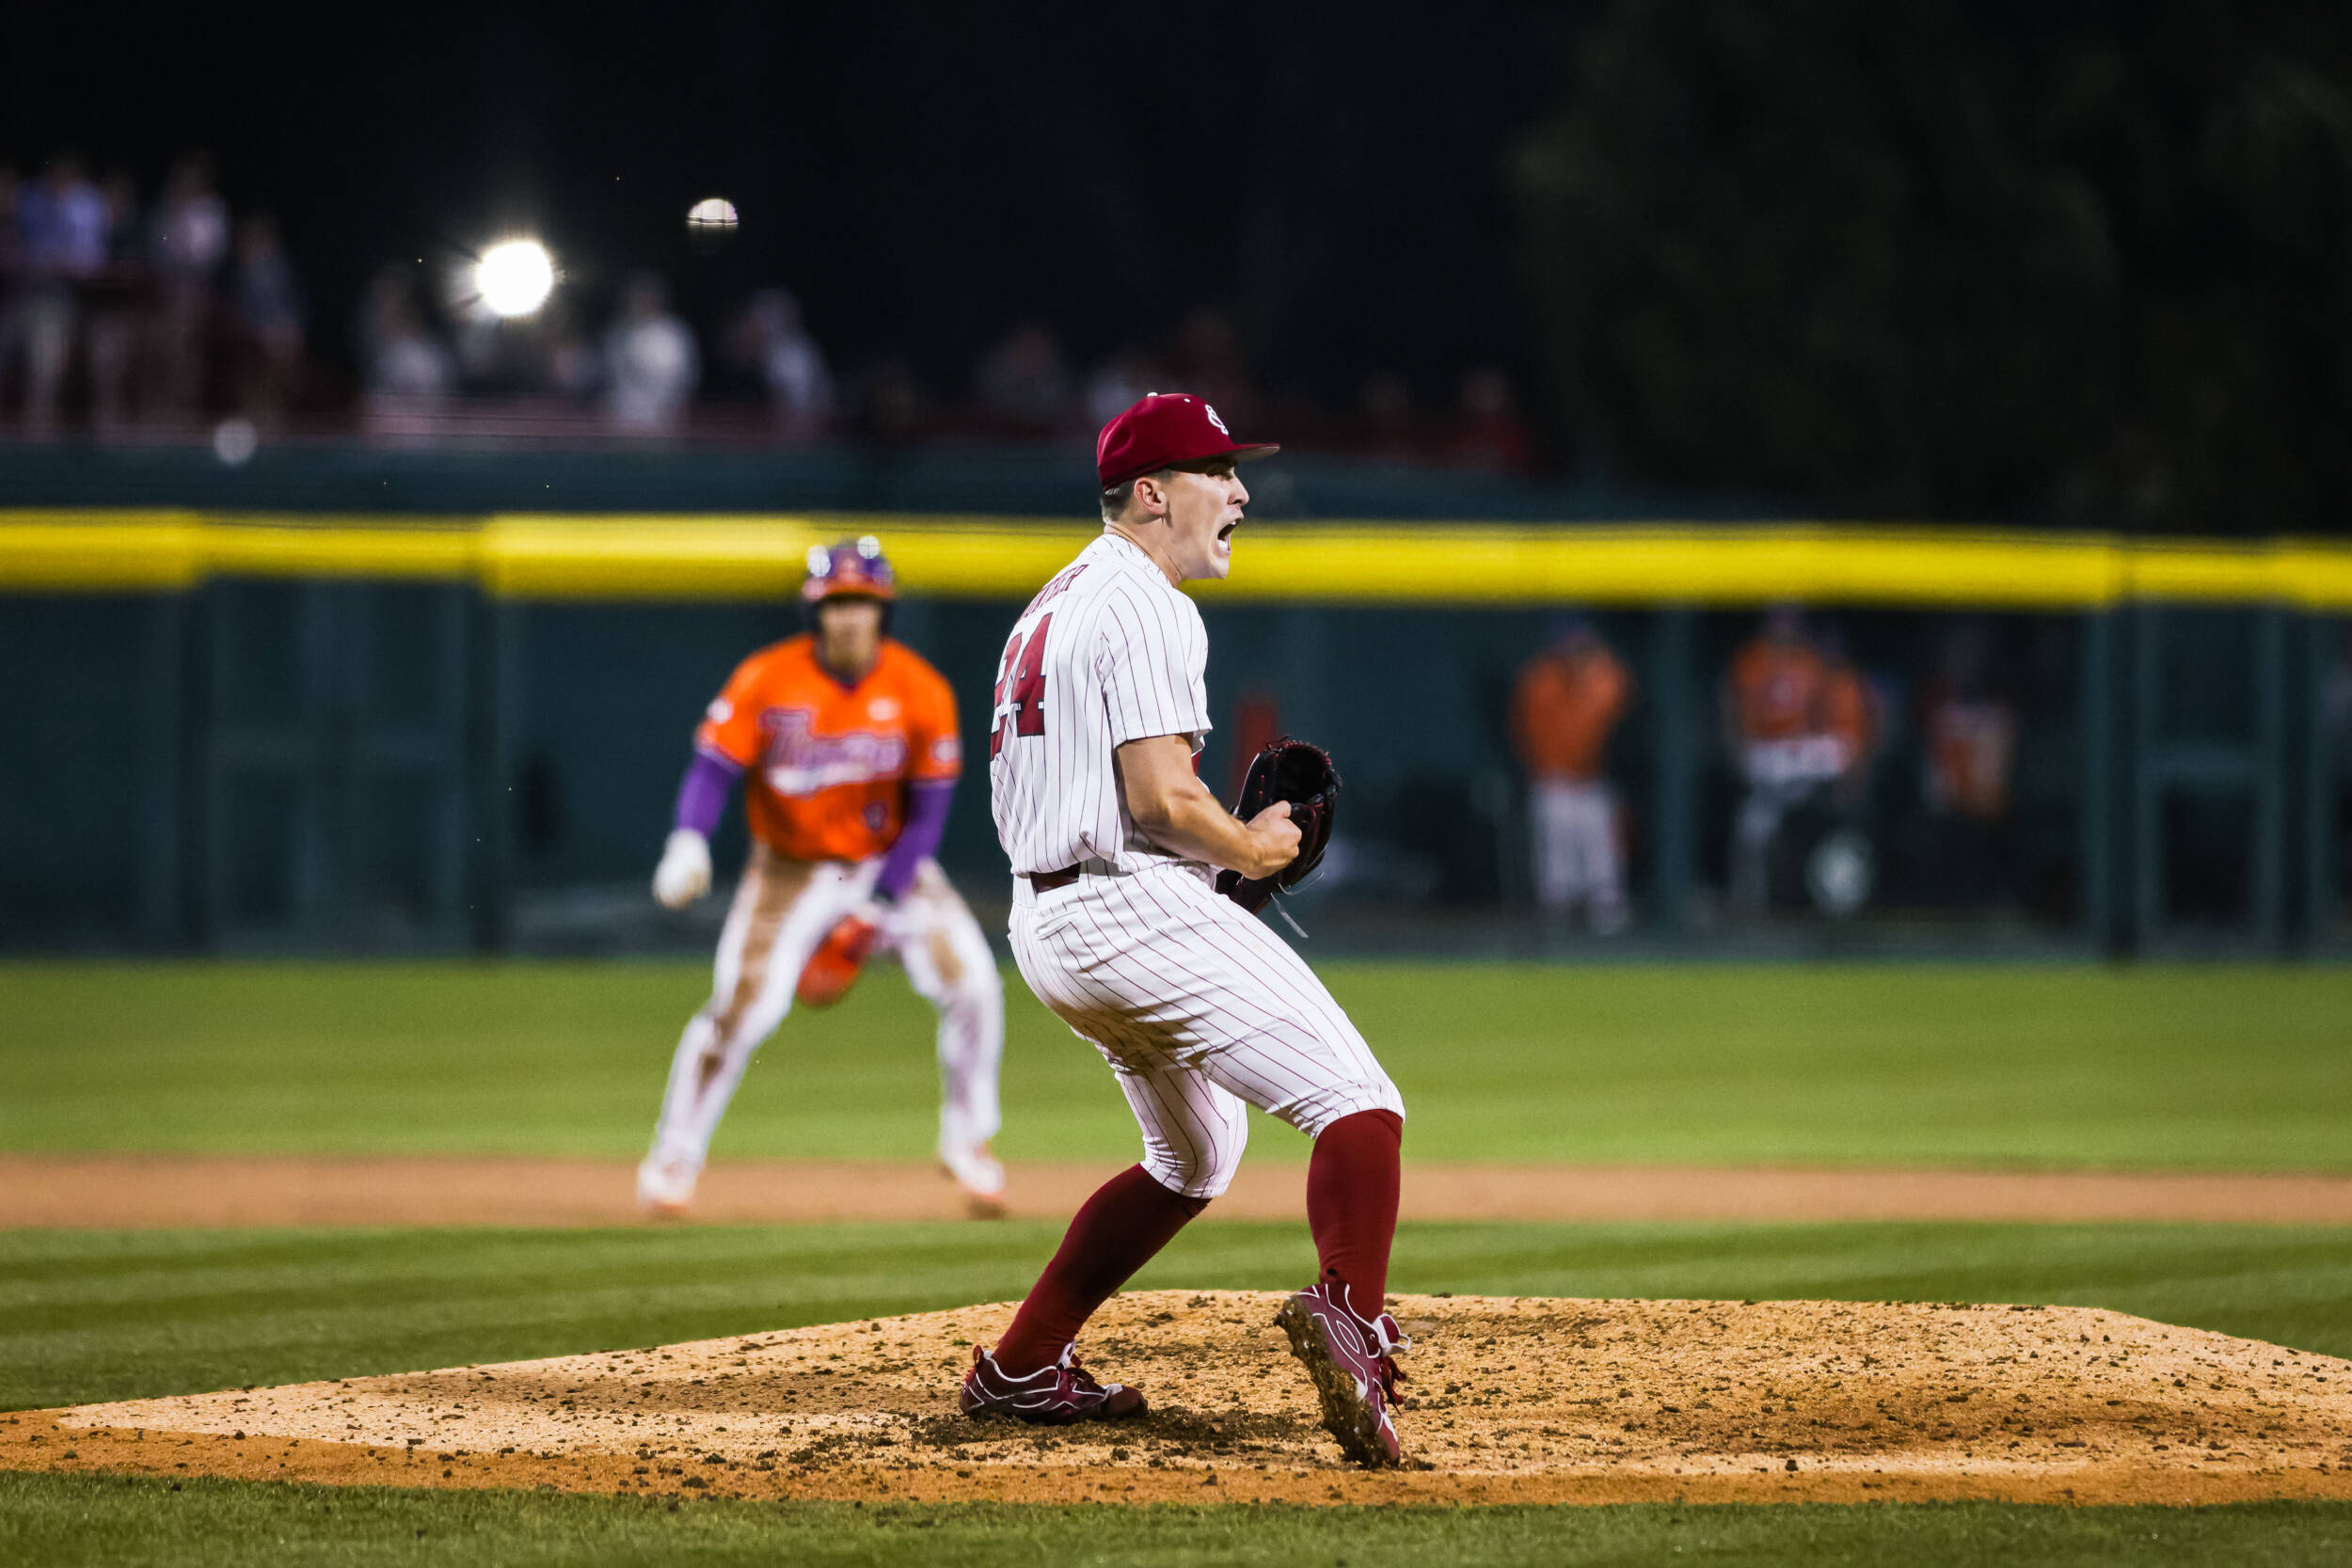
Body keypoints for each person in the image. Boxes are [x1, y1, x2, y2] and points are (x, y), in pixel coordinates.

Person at [961, 393, 1411, 1468]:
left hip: (1046, 921)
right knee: (1361, 1104)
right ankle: (1351, 1310)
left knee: (1198, 1152)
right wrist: (1254, 848)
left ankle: (1022, 1362)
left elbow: (1125, 800)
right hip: (1121, 904)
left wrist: (1212, 852)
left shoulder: (1057, 598)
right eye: (1218, 471)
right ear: (1153, 494)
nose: (1241, 492)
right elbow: (1163, 799)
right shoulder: (1150, 602)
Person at [640, 537, 1007, 1216]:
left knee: (977, 986)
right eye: (835, 601)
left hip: (890, 863)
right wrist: (689, 838)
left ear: (881, 609)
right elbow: (713, 767)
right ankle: (673, 1157)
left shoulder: (918, 688)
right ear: (817, 610)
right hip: (787, 869)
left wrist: (880, 901)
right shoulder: (767, 678)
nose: (847, 615)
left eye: (860, 601)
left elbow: (927, 816)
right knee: (739, 1012)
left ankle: (969, 1141)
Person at [1510, 616, 1632, 931]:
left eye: (1581, 647)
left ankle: (1606, 908)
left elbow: (1624, 713)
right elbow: (1524, 732)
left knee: (1599, 845)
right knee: (1556, 845)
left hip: (1593, 779)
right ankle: (1557, 911)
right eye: (1568, 648)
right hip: (1553, 777)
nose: (1575, 654)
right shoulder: (1540, 680)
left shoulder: (1606, 677)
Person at [1723, 606, 1840, 912]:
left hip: (1799, 756)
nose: (1783, 626)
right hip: (1765, 754)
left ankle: (1809, 900)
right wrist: (1739, 749)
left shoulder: (1810, 661)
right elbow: (1733, 708)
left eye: (1789, 618)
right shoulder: (1752, 659)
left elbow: (1824, 713)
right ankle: (1750, 903)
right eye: (1777, 618)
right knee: (1752, 830)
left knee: (1832, 755)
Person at [602, 271, 698, 432]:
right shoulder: (617, 333)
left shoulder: (673, 334)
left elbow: (684, 384)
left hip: (660, 426)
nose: (639, 301)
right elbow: (608, 380)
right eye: (635, 296)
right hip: (620, 426)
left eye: (645, 295)